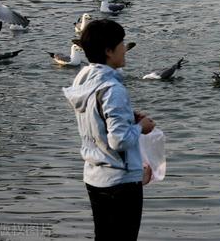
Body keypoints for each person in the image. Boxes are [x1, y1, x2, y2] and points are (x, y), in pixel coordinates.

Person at [63, 19, 155, 241]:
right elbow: (120, 141)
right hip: (119, 182)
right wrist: (141, 127)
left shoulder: (83, 81)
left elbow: (96, 119)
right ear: (108, 51)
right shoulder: (113, 89)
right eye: (121, 43)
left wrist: (128, 118)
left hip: (94, 175)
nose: (125, 49)